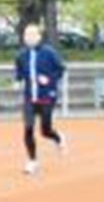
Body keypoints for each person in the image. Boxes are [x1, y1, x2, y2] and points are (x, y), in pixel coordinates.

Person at [15, 23, 68, 175]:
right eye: (26, 35)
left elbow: (61, 69)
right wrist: (17, 81)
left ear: (39, 36)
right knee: (28, 128)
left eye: (32, 35)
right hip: (29, 97)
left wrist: (49, 80)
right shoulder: (21, 55)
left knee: (45, 130)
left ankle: (57, 137)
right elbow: (19, 72)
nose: (29, 38)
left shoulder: (49, 52)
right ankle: (32, 161)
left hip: (46, 95)